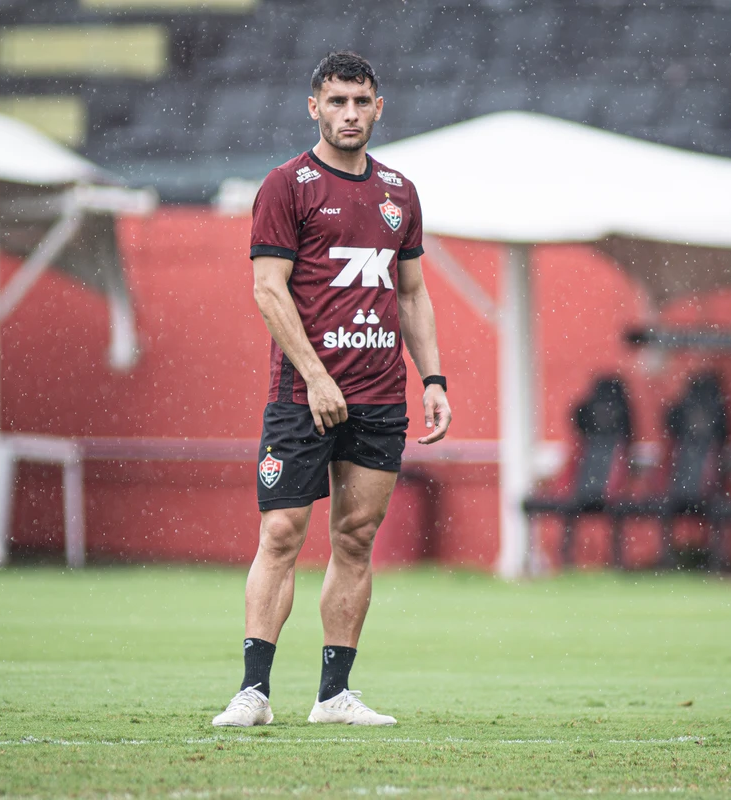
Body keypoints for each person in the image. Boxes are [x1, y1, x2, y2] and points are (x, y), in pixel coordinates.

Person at [212, 51, 451, 727]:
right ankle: (253, 693)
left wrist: (432, 377)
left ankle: (334, 696)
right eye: (337, 101)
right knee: (283, 532)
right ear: (313, 107)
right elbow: (268, 288)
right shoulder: (287, 186)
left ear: (380, 107)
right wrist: (316, 376)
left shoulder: (400, 192)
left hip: (380, 398)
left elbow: (411, 293)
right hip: (301, 396)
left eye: (361, 101)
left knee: (355, 538)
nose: (350, 113)